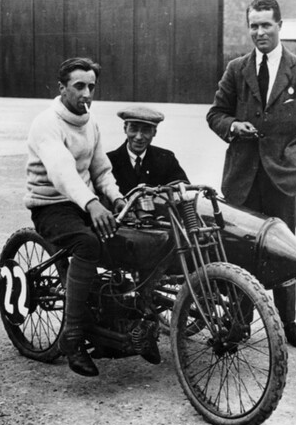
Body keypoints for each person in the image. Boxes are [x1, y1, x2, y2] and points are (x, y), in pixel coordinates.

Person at [206, 0, 296, 350]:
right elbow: (215, 113)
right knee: (240, 249)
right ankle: (239, 322)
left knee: (283, 249)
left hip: (283, 179)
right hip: (241, 179)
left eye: (266, 25)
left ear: (280, 26)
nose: (259, 32)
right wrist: (232, 126)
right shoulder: (236, 69)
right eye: (254, 26)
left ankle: (287, 323)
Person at [25, 57, 151, 378]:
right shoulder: (46, 123)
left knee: (130, 237)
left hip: (84, 200)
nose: (87, 93)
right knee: (87, 244)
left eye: (91, 86)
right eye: (79, 86)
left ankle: (122, 320)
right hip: (50, 204)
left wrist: (118, 198)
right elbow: (62, 171)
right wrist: (93, 204)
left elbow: (101, 170)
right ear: (62, 87)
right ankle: (73, 334)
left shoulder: (90, 122)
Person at [106, 105, 189, 194]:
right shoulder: (108, 161)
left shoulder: (166, 159)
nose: (138, 137)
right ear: (125, 129)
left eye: (146, 130)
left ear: (154, 132)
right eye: (133, 129)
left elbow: (184, 190)